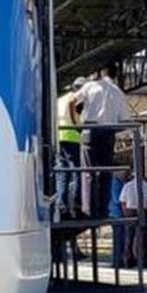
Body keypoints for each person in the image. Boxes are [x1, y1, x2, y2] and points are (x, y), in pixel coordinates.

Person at [71, 65, 132, 219]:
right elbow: (125, 119)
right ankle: (103, 209)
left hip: (89, 130)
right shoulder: (118, 92)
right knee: (106, 171)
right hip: (108, 132)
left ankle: (88, 209)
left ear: (101, 73)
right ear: (116, 76)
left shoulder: (91, 86)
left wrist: (76, 123)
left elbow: (72, 101)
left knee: (88, 172)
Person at [55, 77, 86, 218]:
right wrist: (81, 128)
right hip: (72, 137)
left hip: (59, 137)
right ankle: (77, 203)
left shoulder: (60, 99)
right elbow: (75, 118)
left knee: (63, 172)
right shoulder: (75, 98)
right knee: (77, 171)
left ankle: (61, 204)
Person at [118, 172, 147, 268]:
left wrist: (125, 213)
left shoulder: (127, 185)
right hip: (142, 210)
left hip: (129, 210)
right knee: (142, 237)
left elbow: (122, 201)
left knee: (129, 237)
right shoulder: (146, 186)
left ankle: (128, 260)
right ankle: (143, 260)